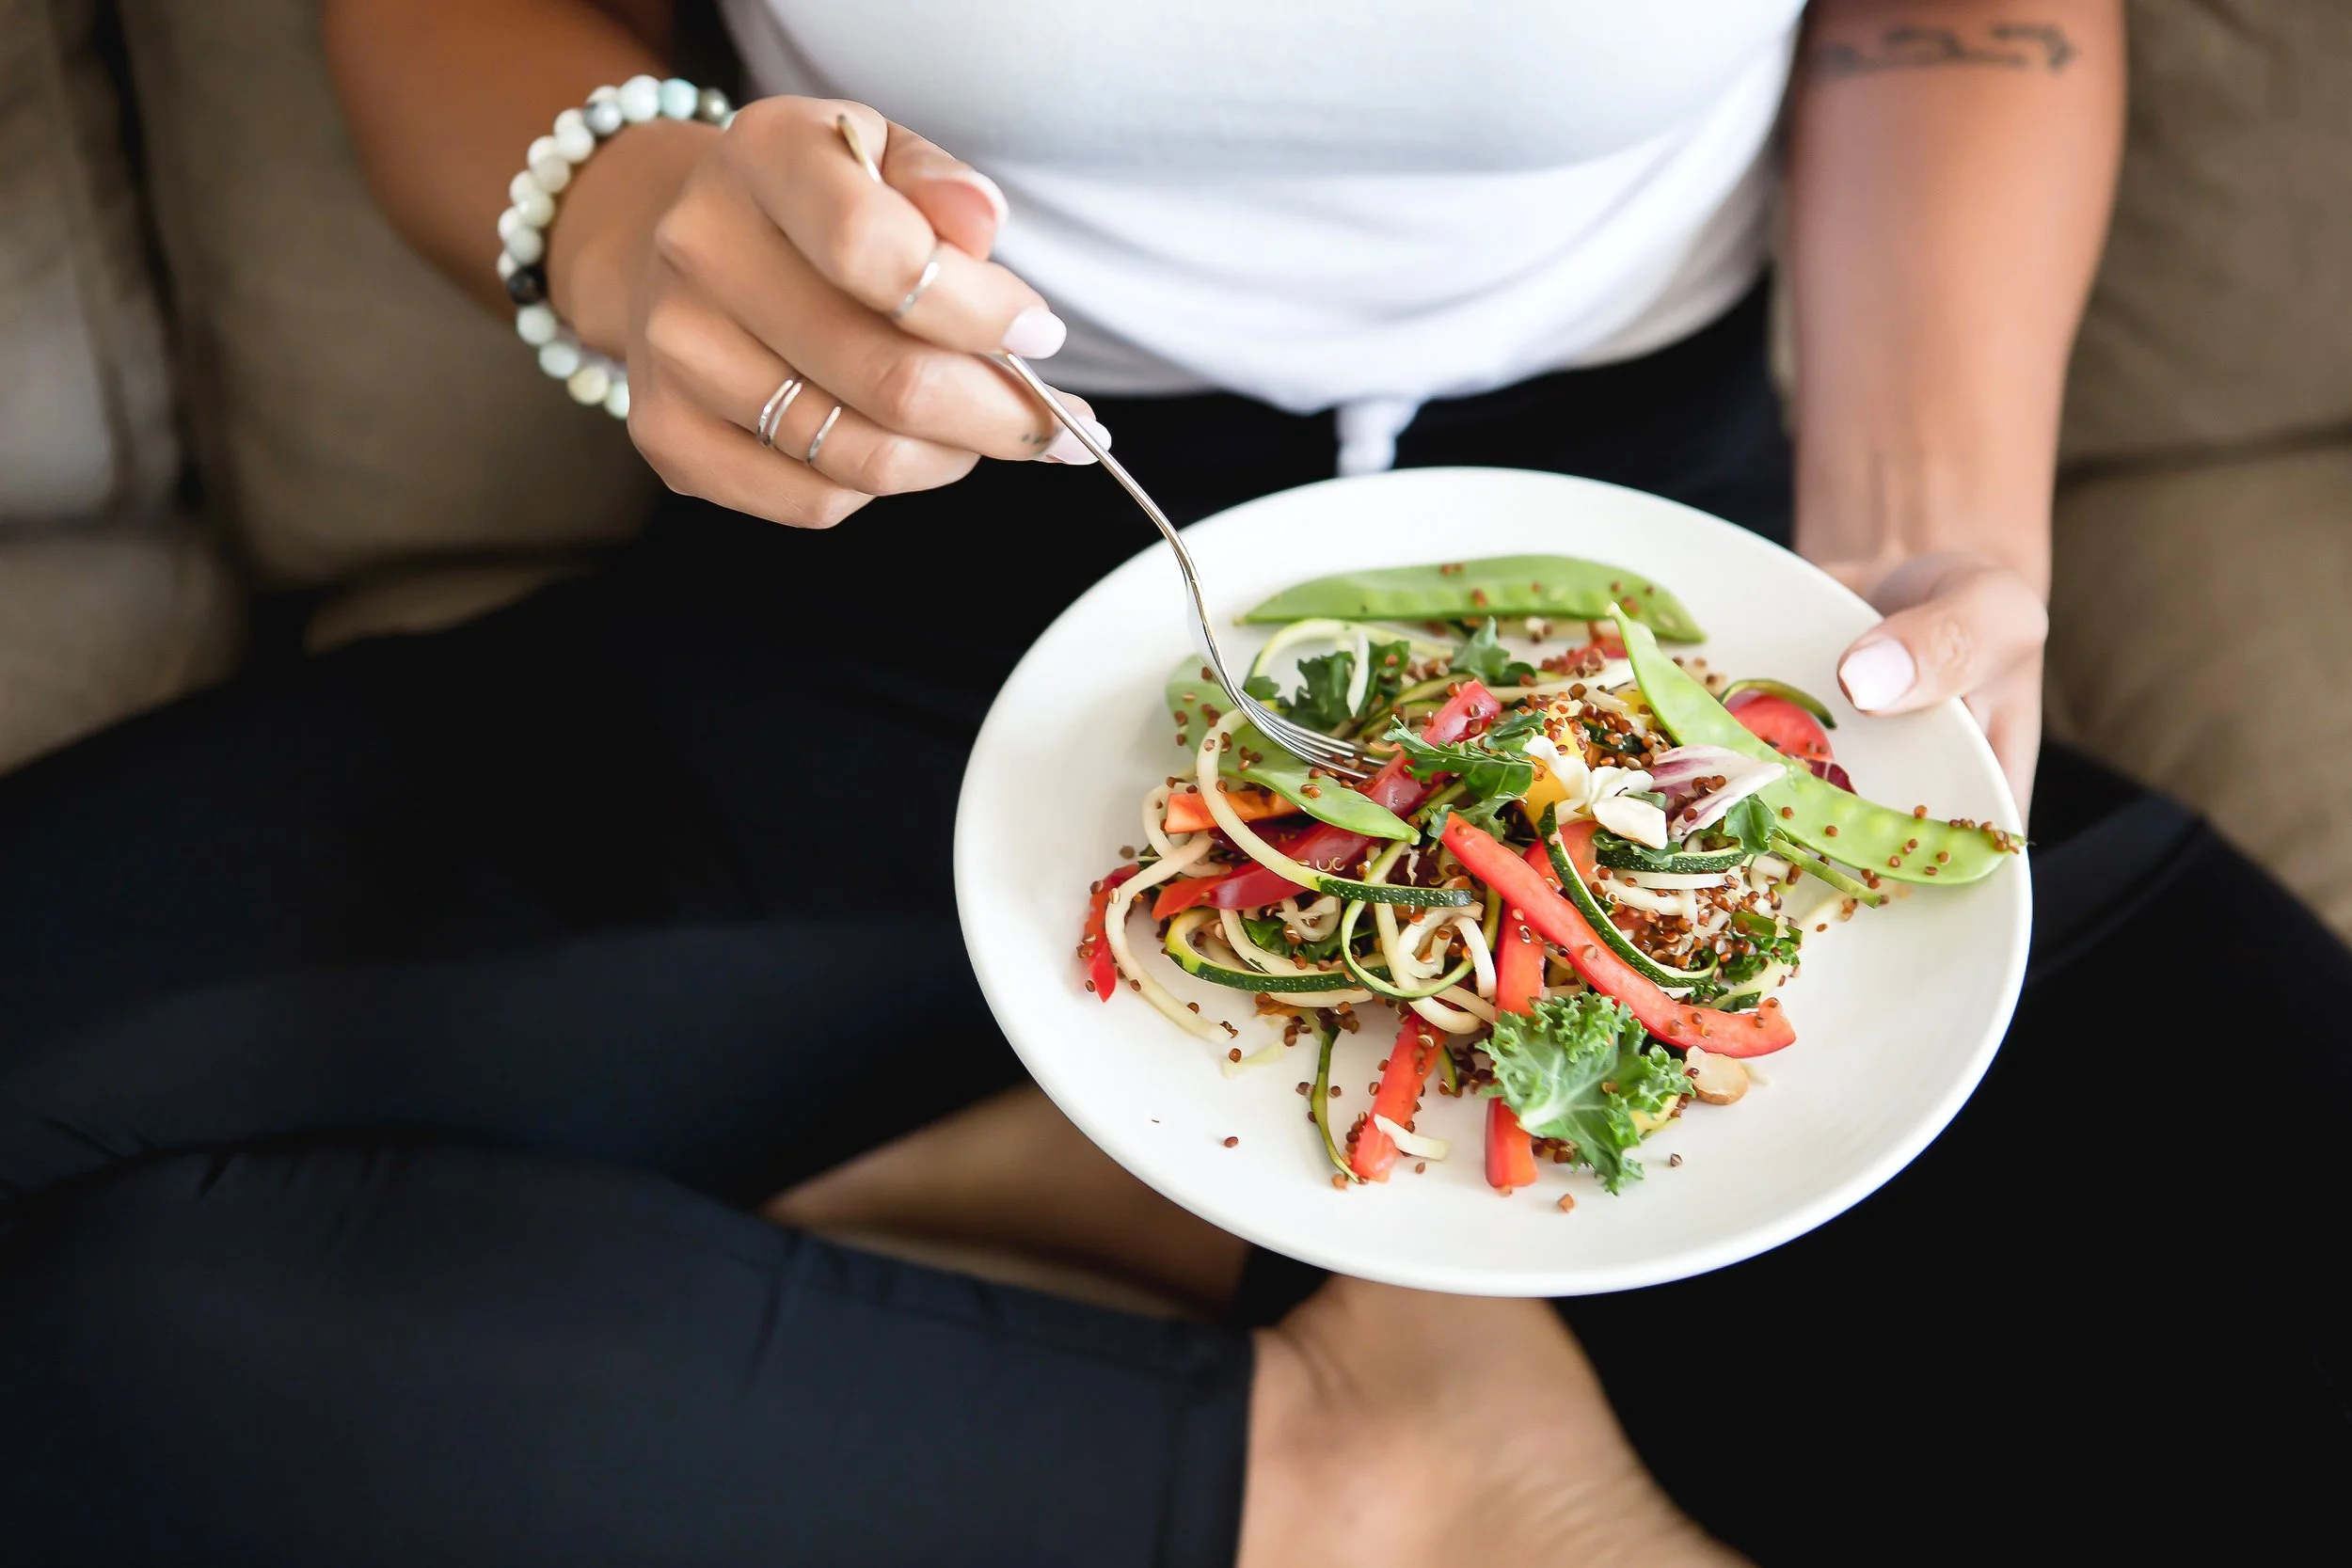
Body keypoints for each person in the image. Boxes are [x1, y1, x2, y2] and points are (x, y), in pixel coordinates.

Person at [1, 1, 2344, 1561]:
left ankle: (1149, 1217)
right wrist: (632, 224)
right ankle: (1335, 1474)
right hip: (903, 558)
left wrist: (1917, 569)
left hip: (1667, 618)